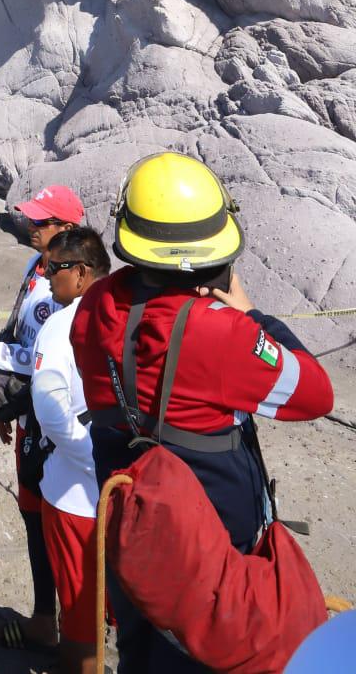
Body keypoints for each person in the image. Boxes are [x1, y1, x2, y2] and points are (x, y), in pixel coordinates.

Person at [71, 151, 334, 674]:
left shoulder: (93, 306)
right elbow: (316, 392)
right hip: (210, 551)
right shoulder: (223, 333)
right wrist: (251, 317)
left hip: (132, 530)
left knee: (141, 651)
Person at [0, 183, 86, 655]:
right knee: (33, 516)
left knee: (60, 521)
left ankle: (78, 632)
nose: (32, 228)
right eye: (32, 220)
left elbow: (44, 355)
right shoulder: (36, 267)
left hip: (53, 423)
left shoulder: (69, 287)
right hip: (29, 419)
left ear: (68, 229)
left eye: (42, 221)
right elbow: (19, 327)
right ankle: (45, 618)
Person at [31, 226, 112, 674]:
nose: (46, 277)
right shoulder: (132, 311)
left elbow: (49, 405)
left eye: (53, 268)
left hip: (75, 498)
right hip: (127, 488)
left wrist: (92, 459)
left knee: (80, 621)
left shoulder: (62, 323)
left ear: (80, 273)